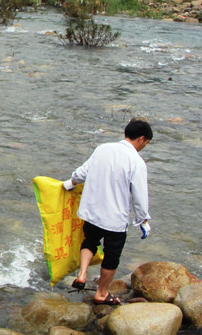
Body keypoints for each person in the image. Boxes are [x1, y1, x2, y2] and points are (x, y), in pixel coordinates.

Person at [64, 118, 153, 306]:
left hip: (92, 211)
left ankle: (82, 274)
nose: (144, 146)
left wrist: (71, 182)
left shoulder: (102, 148)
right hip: (115, 218)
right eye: (146, 143)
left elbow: (82, 172)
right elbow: (139, 195)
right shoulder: (136, 162)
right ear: (141, 139)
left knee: (90, 241)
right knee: (111, 256)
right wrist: (143, 219)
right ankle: (102, 293)